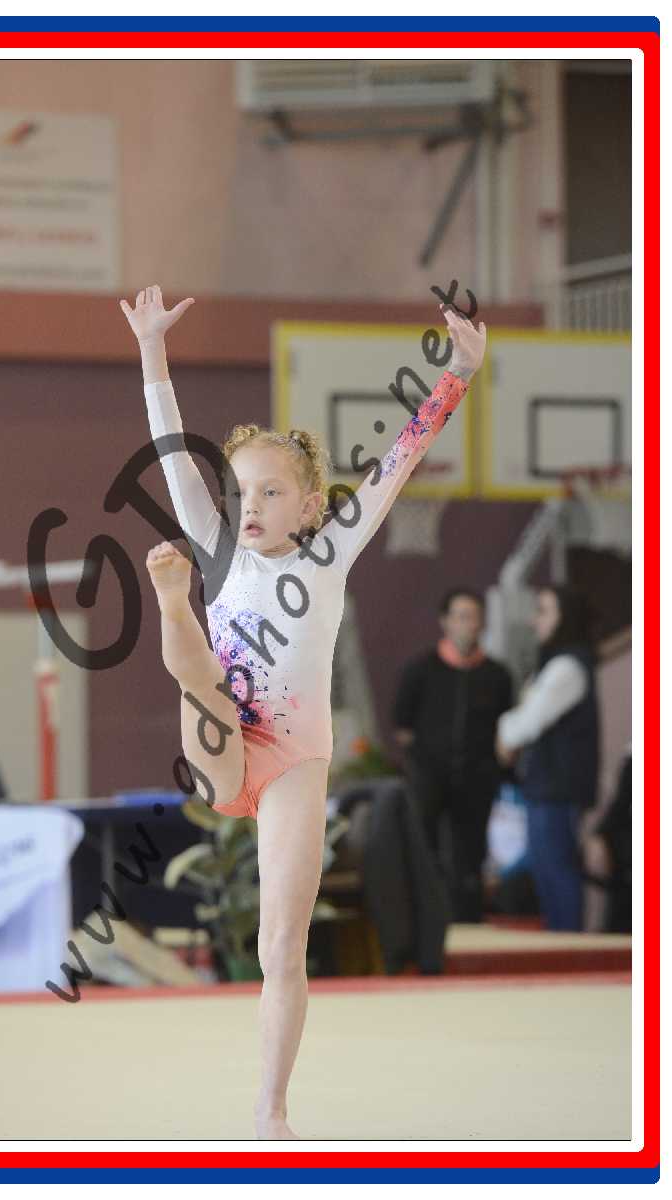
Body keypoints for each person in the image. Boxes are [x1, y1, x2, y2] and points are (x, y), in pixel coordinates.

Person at [120, 284, 487, 1139]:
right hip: (220, 738)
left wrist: (460, 373)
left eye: (271, 493)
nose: (250, 506)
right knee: (204, 684)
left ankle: (271, 1110)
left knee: (281, 947)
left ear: (312, 506)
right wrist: (150, 349)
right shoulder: (219, 550)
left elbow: (400, 458)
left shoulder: (331, 553)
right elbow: (172, 452)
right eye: (242, 493)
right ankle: (173, 609)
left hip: (294, 762)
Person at [392, 589, 514, 922]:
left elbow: (507, 726)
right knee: (425, 845)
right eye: (461, 617)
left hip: (478, 777)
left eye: (474, 617)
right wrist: (423, 761)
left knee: (470, 853)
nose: (468, 624)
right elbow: (402, 725)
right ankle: (427, 919)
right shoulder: (420, 669)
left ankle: (469, 919)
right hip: (429, 776)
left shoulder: (497, 675)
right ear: (445, 622)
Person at [496, 585, 600, 932]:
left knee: (557, 870)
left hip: (558, 790)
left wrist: (504, 732)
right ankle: (560, 939)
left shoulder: (568, 666)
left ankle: (569, 948)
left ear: (564, 618)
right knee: (545, 871)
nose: (534, 620)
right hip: (546, 788)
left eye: (543, 611)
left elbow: (527, 722)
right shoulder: (554, 664)